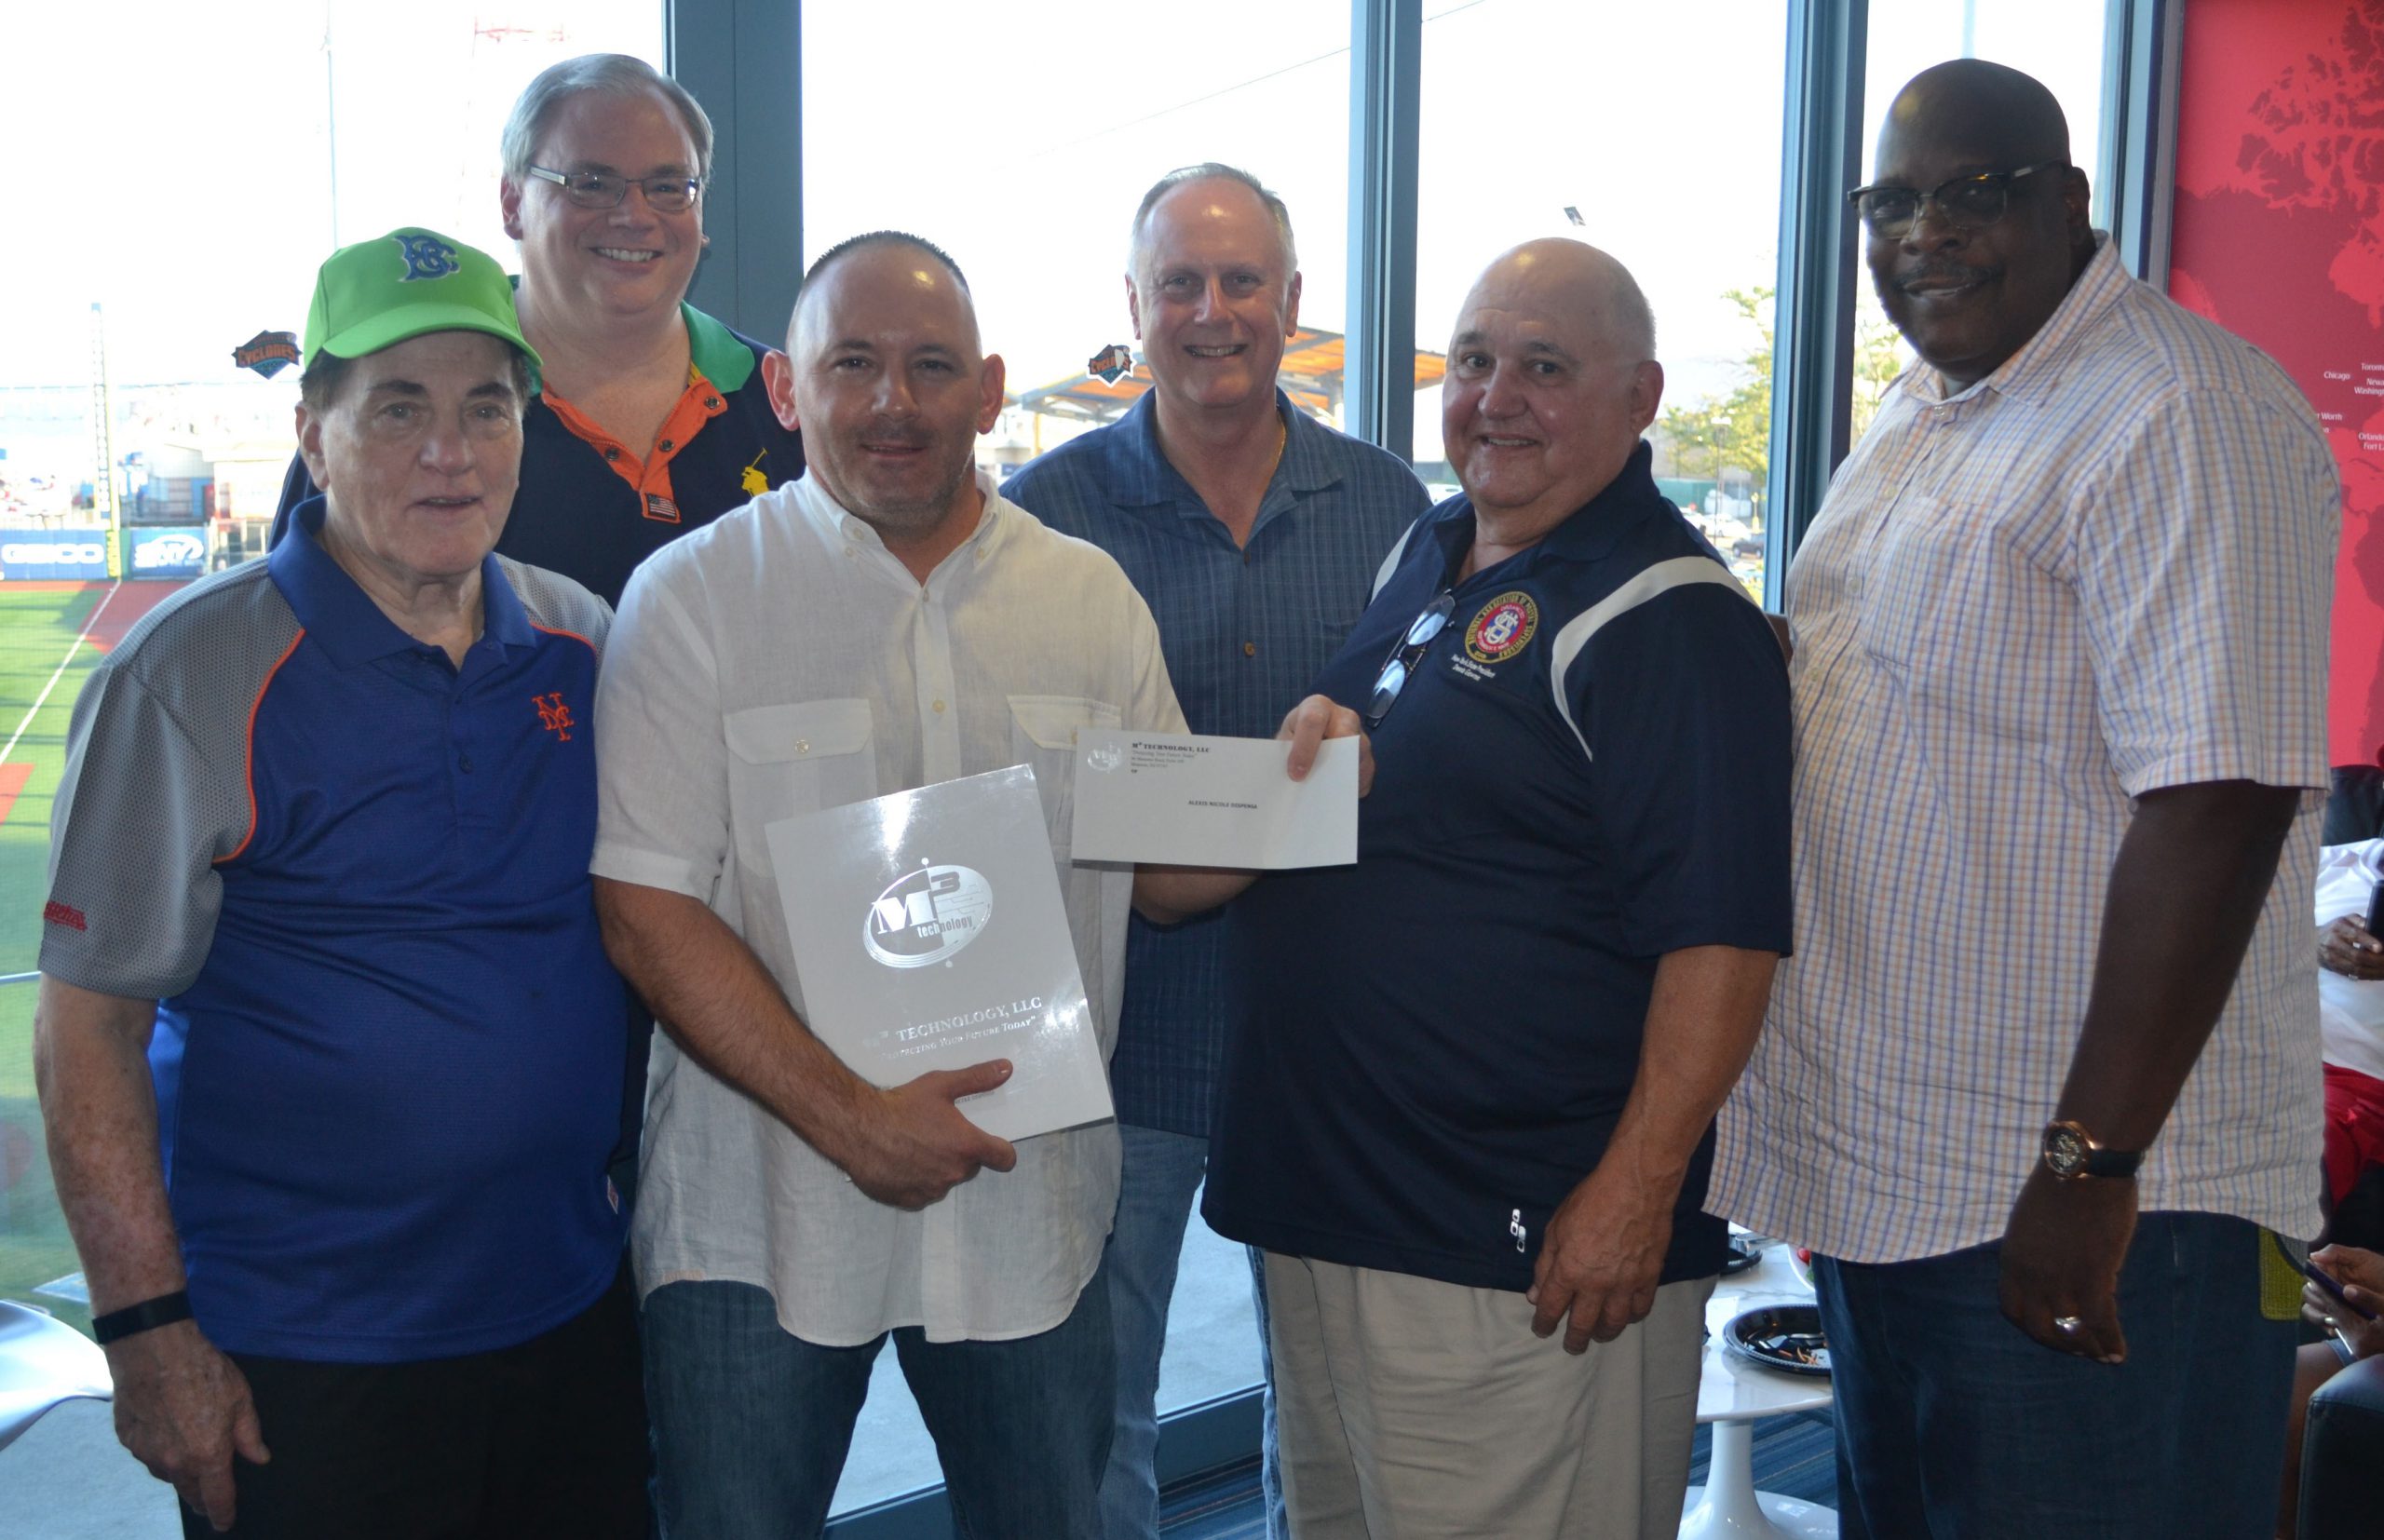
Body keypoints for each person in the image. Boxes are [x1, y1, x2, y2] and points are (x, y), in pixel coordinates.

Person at [1710, 59, 2340, 1538]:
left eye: (1975, 193)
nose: (1926, 232)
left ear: (2070, 199)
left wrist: (2087, 1163)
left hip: (2095, 1196)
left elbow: (2221, 801)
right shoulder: (1934, 407)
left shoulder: (2176, 410)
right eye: (1894, 201)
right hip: (1907, 1172)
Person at [589, 231, 1212, 1539]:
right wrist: (853, 1117)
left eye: (931, 367)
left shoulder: (1088, 600)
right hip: (756, 1216)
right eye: (853, 364)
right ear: (784, 389)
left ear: (988, 391)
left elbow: (1168, 873)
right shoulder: (692, 598)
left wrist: (1314, 784)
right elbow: (647, 909)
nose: (892, 402)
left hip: (1026, 1212)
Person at [32, 229, 643, 1538]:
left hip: (566, 1317)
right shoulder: (190, 673)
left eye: (486, 406)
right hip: (303, 1350)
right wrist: (147, 1334)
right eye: (398, 408)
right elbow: (87, 1025)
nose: (450, 449)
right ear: (314, 432)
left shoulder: (585, 640)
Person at [1190, 236, 1793, 1538]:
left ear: (1641, 397)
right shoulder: (1437, 543)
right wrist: (1321, 720)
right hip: (1329, 1206)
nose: (1495, 395)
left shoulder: (1671, 617)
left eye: (1545, 366)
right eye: (1473, 361)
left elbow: (1726, 942)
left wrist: (1636, 1188)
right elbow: (1361, 734)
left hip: (1505, 1244)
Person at [1001, 162, 1428, 1539]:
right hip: (1118, 1041)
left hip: (1335, 1038)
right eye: (1179, 280)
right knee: (1095, 1414)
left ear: (1292, 303)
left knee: (1333, 1401)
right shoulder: (1040, 518)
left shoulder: (1396, 509)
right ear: (1134, 304)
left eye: (1242, 279)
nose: (1212, 309)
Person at [274, 55, 804, 605]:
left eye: (669, 186)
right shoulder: (386, 412)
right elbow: (286, 634)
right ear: (512, 203)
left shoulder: (787, 405)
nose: (635, 214)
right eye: (592, 183)